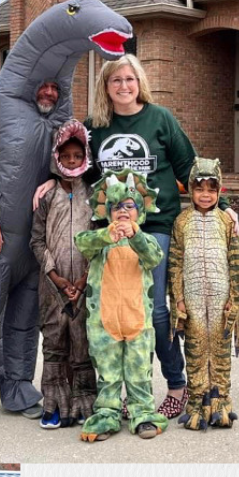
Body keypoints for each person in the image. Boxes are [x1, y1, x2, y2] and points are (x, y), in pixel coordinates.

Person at [87, 53, 200, 421]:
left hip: (155, 226)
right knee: (116, 312)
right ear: (106, 86)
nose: (123, 86)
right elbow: (79, 171)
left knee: (154, 310)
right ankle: (129, 393)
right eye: (115, 80)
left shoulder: (160, 118)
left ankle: (176, 385)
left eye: (129, 79)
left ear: (140, 83)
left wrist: (221, 202)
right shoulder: (96, 127)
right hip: (111, 230)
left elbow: (187, 164)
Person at [77, 172, 166, 440]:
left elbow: (154, 257)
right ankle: (107, 414)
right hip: (104, 322)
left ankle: (143, 414)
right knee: (108, 374)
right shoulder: (100, 239)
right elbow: (81, 243)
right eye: (117, 206)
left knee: (139, 372)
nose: (123, 211)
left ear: (139, 211)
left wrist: (136, 235)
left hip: (137, 321)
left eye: (129, 206)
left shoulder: (145, 240)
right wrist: (106, 235)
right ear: (108, 212)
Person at [30, 118, 97, 429]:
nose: (72, 161)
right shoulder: (47, 196)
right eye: (67, 156)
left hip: (86, 284)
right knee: (55, 344)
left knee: (83, 344)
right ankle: (55, 405)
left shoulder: (94, 196)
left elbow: (100, 240)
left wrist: (84, 280)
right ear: (57, 157)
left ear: (86, 157)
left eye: (78, 156)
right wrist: (54, 275)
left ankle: (85, 403)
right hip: (52, 285)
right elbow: (37, 239)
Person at [169, 158, 239, 431]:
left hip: (220, 295)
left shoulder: (226, 221)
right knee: (196, 349)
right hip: (193, 298)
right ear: (190, 189)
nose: (205, 195)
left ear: (219, 191)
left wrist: (233, 299)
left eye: (211, 190)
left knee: (220, 350)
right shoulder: (181, 221)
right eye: (199, 189)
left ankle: (221, 401)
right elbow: (175, 263)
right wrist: (177, 297)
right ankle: (197, 402)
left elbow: (235, 265)